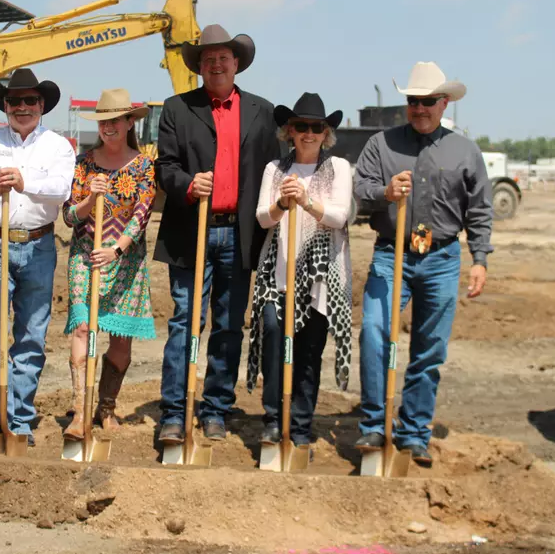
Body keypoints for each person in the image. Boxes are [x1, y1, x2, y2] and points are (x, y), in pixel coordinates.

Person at [353, 61, 492, 465]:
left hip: (443, 258)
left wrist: (479, 258)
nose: (420, 109)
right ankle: (375, 427)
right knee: (375, 332)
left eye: (428, 102)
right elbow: (360, 188)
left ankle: (414, 432)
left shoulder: (465, 150)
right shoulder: (381, 144)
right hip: (389, 253)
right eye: (414, 102)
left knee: (429, 348)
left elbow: (480, 209)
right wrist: (385, 191)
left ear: (444, 103)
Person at [154, 24, 282, 443]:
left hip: (240, 236)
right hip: (192, 229)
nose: (216, 64)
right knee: (185, 320)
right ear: (200, 66)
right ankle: (175, 409)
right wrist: (189, 185)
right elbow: (166, 167)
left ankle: (215, 408)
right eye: (208, 59)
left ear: (237, 63)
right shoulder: (177, 108)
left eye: (223, 58)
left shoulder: (263, 112)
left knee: (229, 326)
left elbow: (274, 171)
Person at [0, 68, 76, 445]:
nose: (22, 108)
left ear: (42, 105)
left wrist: (25, 183)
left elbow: (61, 190)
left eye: (30, 100)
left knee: (31, 335)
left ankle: (22, 418)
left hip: (40, 246)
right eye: (15, 101)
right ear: (5, 106)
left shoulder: (58, 146)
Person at [246, 92, 354, 448]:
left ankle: (302, 426)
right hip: (277, 275)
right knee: (276, 341)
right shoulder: (275, 170)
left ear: (326, 133)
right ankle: (275, 420)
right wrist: (282, 202)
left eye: (316, 127)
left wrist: (306, 201)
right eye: (301, 126)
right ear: (289, 131)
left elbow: (340, 217)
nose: (308, 133)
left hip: (321, 278)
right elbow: (263, 218)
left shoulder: (337, 168)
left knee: (308, 353)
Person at [61, 88, 157, 439]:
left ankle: (106, 408)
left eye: (116, 120)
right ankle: (79, 412)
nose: (109, 127)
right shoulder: (85, 164)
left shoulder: (144, 165)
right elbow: (70, 216)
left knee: (119, 338)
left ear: (130, 122)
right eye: (104, 121)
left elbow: (142, 215)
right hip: (85, 257)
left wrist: (116, 249)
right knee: (84, 328)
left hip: (126, 262)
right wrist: (91, 198)